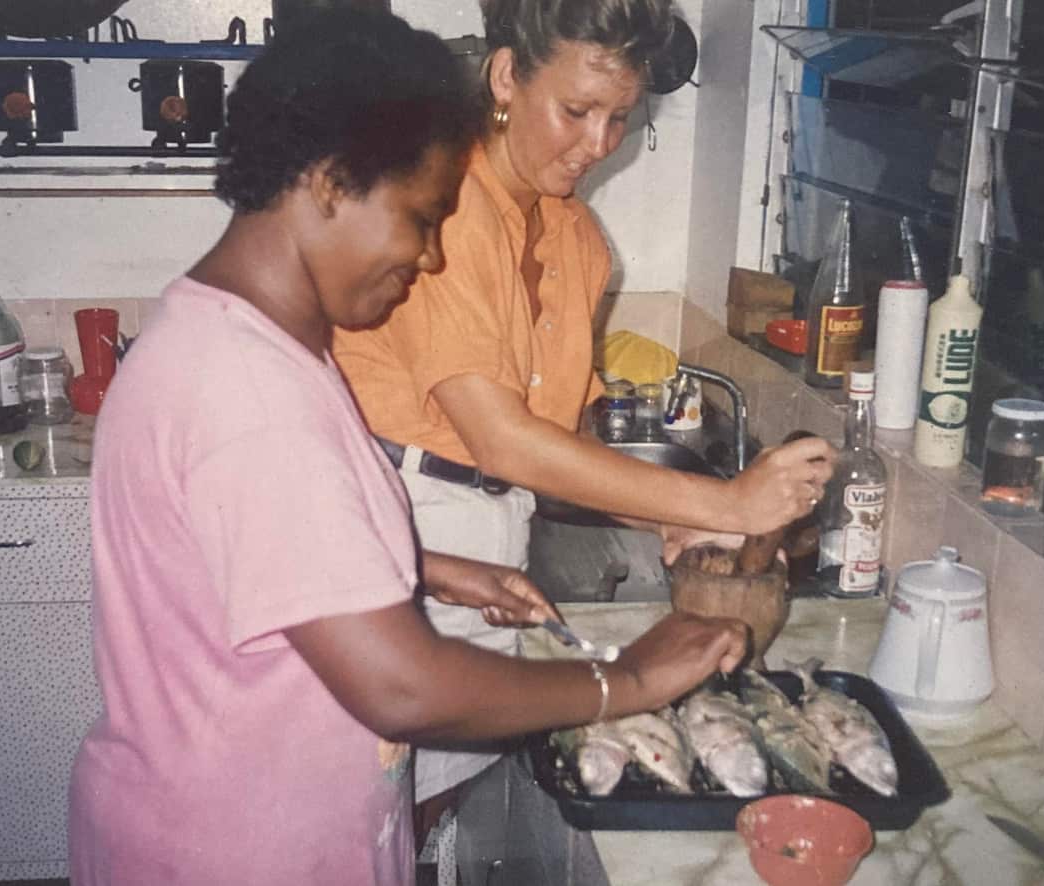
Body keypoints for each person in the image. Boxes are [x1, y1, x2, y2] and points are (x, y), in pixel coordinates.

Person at [68, 8, 751, 885]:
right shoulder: (250, 394)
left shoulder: (248, 345)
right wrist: (632, 682)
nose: (431, 258)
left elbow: (255, 555)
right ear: (330, 183)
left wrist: (431, 571)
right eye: (421, 218)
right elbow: (401, 687)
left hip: (283, 822)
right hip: (232, 851)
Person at [332, 0, 837, 852]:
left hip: (484, 540)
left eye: (619, 118)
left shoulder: (575, 238)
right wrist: (727, 505)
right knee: (361, 810)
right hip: (397, 529)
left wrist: (669, 517)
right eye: (576, 110)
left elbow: (560, 432)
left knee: (422, 807)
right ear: (506, 77)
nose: (598, 144)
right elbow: (502, 439)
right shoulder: (446, 207)